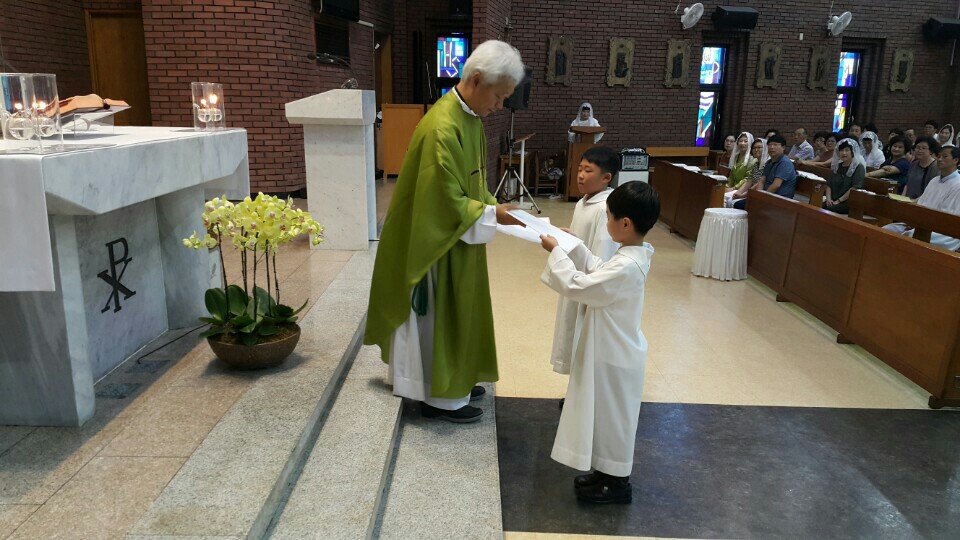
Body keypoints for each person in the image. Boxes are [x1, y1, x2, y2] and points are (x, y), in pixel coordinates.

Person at [364, 40, 526, 423]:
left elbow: (472, 182)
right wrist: (492, 214)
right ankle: (437, 397)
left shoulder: (469, 117)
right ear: (476, 79)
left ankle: (456, 380)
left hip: (457, 237)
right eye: (499, 96)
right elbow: (446, 200)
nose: (499, 106)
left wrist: (494, 206)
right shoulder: (443, 126)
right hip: (435, 244)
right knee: (438, 317)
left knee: (461, 312)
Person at [539, 180, 659, 504]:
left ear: (625, 224)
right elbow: (598, 268)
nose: (606, 223)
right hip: (611, 351)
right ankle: (606, 472)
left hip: (616, 355)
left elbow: (581, 285)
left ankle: (617, 483)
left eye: (608, 217)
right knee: (604, 418)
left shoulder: (627, 266)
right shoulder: (631, 255)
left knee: (614, 420)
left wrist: (557, 253)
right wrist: (574, 245)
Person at [549, 146, 620, 396]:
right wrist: (568, 238)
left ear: (606, 177)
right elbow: (581, 240)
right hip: (576, 278)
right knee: (574, 337)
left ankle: (587, 396)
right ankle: (577, 393)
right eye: (579, 169)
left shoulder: (605, 208)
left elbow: (602, 255)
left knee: (587, 340)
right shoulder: (583, 202)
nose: (580, 175)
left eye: (588, 170)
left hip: (588, 285)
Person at [884, 146, 960, 251]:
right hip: (921, 223)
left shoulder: (958, 184)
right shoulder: (934, 180)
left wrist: (921, 223)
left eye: (945, 156)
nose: (939, 159)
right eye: (938, 156)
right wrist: (914, 221)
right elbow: (921, 203)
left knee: (910, 236)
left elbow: (950, 217)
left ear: (956, 160)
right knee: (888, 229)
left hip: (944, 232)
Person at [732, 134, 796, 209]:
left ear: (783, 147)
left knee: (740, 205)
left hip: (780, 200)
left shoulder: (784, 163)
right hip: (767, 196)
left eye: (775, 145)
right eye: (770, 145)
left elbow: (776, 185)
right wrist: (758, 196)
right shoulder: (769, 162)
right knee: (738, 204)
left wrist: (762, 198)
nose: (772, 147)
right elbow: (761, 181)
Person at [823, 138, 866, 214]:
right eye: (841, 150)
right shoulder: (838, 166)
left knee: (829, 209)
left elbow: (855, 188)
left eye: (847, 150)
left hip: (848, 202)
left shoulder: (858, 167)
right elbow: (829, 184)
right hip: (833, 199)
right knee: (819, 205)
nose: (844, 153)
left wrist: (839, 201)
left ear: (852, 152)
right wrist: (828, 199)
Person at [725, 137, 767, 207]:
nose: (756, 150)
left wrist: (742, 195)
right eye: (754, 148)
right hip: (749, 191)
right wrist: (738, 193)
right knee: (729, 199)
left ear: (765, 149)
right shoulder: (756, 164)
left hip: (758, 193)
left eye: (759, 147)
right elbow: (748, 181)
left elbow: (758, 184)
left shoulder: (766, 165)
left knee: (733, 202)